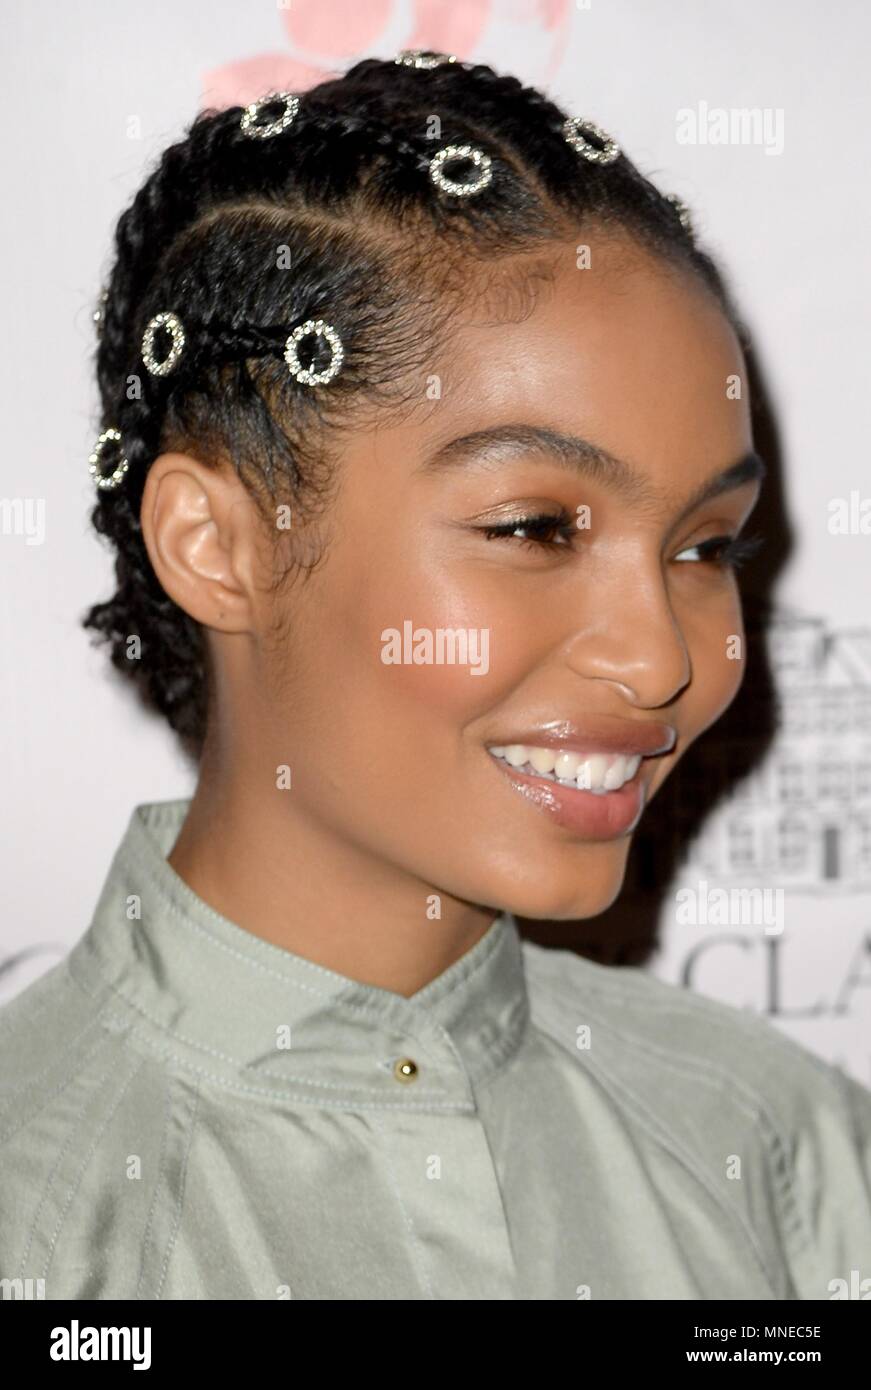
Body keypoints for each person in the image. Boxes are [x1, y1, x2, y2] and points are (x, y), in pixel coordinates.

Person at [1, 50, 869, 1302]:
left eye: (702, 546)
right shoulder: (39, 1221)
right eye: (535, 528)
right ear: (218, 544)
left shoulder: (774, 1149)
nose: (664, 657)